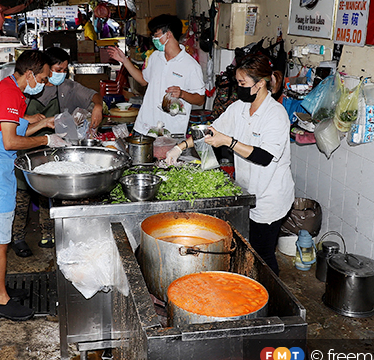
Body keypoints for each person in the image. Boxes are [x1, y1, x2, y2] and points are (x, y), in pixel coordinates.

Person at [165, 53, 294, 274]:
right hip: (246, 192)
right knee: (245, 249)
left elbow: (264, 157)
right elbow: (209, 130)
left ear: (260, 84)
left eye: (243, 83)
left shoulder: (276, 115)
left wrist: (228, 141)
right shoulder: (239, 108)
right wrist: (179, 147)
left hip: (269, 198)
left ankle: (271, 300)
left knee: (262, 255)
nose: (238, 88)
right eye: (238, 83)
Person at [0, 50, 67, 321]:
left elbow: (10, 129)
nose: (46, 83)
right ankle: (0, 300)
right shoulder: (11, 94)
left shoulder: (8, 88)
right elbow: (11, 141)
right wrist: (48, 141)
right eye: (44, 78)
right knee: (0, 241)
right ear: (30, 74)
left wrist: (45, 123)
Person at [12, 46, 104, 254]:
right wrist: (32, 120)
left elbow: (93, 96)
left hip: (49, 145)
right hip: (24, 144)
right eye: (58, 69)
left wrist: (97, 107)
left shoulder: (66, 87)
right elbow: (10, 120)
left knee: (47, 192)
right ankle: (18, 238)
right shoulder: (28, 87)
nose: (62, 74)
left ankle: (48, 234)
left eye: (65, 69)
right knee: (22, 194)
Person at [106, 14, 205, 136]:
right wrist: (125, 61)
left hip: (170, 133)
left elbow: (200, 99)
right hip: (143, 128)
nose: (153, 39)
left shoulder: (190, 65)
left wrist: (182, 94)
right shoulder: (155, 57)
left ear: (168, 34)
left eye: (156, 35)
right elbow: (143, 80)